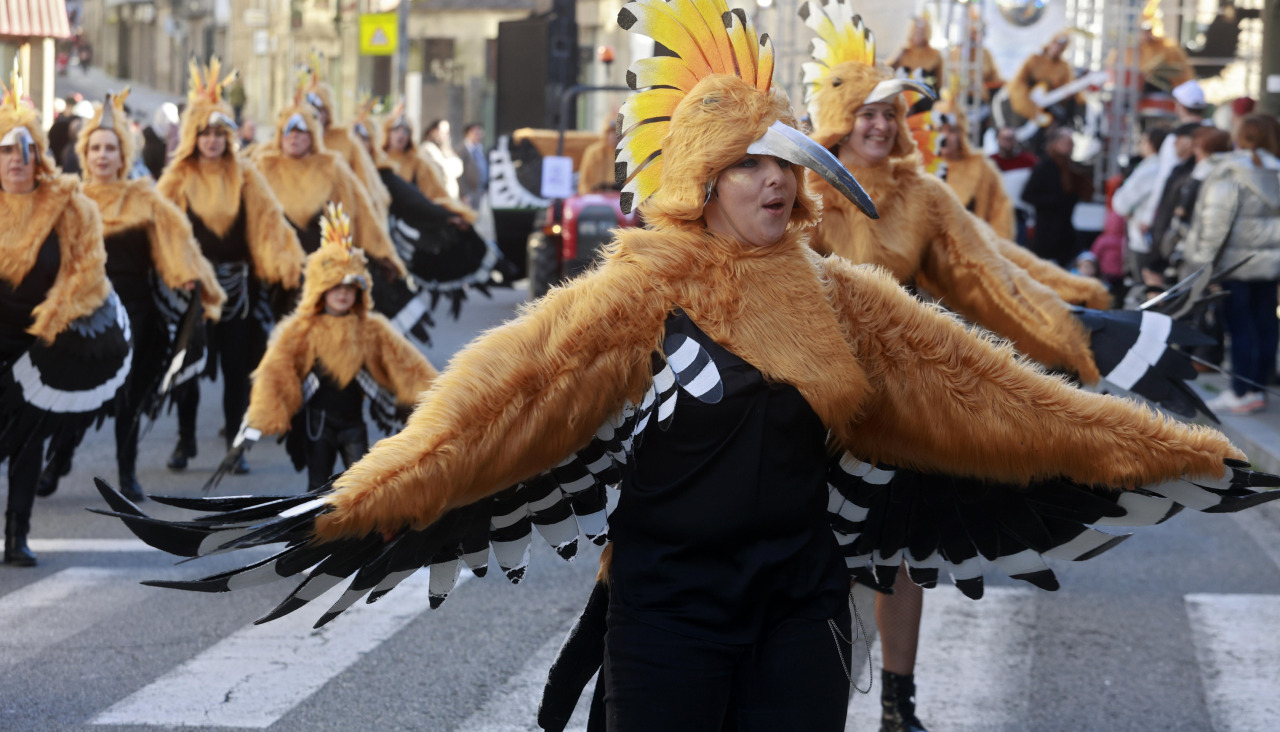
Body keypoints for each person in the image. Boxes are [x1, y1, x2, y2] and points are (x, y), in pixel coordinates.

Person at [101, 7, 1280, 731]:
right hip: (662, 596)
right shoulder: (635, 293)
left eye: (785, 165)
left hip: (799, 594)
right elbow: (498, 403)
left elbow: (989, 389)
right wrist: (357, 501)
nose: (775, 182)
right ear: (701, 181)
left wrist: (1162, 448)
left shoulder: (849, 300)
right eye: (747, 166)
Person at [1, 73, 132, 565]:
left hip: (40, 341)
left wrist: (58, 314)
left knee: (28, 439)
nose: (17, 159)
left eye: (26, 150)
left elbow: (88, 269)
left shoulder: (70, 206)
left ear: (40, 156)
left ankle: (16, 534)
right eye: (7, 150)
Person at [156, 59, 307, 474]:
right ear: (193, 137)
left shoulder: (247, 176)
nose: (211, 141)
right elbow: (164, 230)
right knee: (188, 368)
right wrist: (180, 271)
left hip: (242, 289)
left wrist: (289, 264)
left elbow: (271, 225)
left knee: (240, 372)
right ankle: (185, 442)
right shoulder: (177, 178)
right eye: (204, 133)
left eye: (218, 133)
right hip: (194, 289)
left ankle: (236, 446)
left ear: (228, 137)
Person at [75, 91, 226, 499]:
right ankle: (55, 460)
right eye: (96, 148)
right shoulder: (70, 201)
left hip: (135, 310)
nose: (102, 156)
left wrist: (188, 279)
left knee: (129, 396)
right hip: (80, 310)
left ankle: (127, 473)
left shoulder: (145, 197)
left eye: (111, 148)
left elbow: (174, 245)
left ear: (122, 154)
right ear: (84, 154)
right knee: (71, 392)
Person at [228, 204, 438, 490]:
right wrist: (270, 411)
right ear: (320, 291)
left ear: (360, 292)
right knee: (316, 489)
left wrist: (441, 402)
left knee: (363, 488)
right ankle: (315, 533)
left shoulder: (372, 328)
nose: (342, 294)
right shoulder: (301, 330)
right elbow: (274, 371)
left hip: (354, 425)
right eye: (335, 288)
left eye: (349, 288)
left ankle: (358, 534)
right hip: (318, 427)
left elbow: (409, 367)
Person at [1180, 114, 1280, 413]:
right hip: (1271, 264)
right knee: (1266, 324)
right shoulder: (1276, 171)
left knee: (1240, 327)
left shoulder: (1229, 172)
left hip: (1235, 265)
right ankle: (1257, 390)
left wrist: (1202, 266)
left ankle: (1240, 392)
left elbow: (1214, 223)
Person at [250, 83, 405, 278]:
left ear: (312, 134)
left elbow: (360, 210)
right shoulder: (264, 164)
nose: (294, 137)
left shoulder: (333, 164)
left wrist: (381, 252)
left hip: (321, 264)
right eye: (288, 131)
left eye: (301, 131)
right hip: (273, 266)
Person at [302, 59, 391, 219]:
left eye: (319, 111)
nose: (313, 117)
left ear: (328, 112)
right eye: (308, 111)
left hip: (340, 220)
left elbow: (367, 189)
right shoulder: (292, 143)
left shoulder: (345, 141)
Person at [1138, 80, 1212, 236]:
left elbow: (1163, 178)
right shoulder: (1214, 134)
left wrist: (1148, 217)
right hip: (1209, 205)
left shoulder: (1174, 139)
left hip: (1177, 209)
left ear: (1180, 106)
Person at [380, 106, 477, 223]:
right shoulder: (378, 162)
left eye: (406, 131)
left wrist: (449, 214)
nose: (401, 135)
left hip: (410, 221)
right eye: (396, 129)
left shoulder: (418, 162)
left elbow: (436, 195)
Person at [1022, 126, 1094, 267]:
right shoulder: (1044, 166)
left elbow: (1084, 192)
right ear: (1056, 143)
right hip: (1047, 230)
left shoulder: (1071, 166)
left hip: (1065, 229)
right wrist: (1053, 201)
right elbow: (1028, 195)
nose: (1069, 147)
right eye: (1066, 143)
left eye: (1071, 143)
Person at [1112, 127, 1169, 283]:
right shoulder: (1164, 167)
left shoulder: (1151, 169)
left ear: (1151, 144)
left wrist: (1130, 211)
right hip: (1157, 237)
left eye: (1142, 141)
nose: (1139, 145)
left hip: (1144, 238)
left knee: (1145, 286)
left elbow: (1121, 202)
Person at [1007, 33, 1079, 128]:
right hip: (1028, 99)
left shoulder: (1064, 66)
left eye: (1061, 48)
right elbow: (1019, 81)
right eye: (1056, 44)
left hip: (1049, 104)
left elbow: (1067, 87)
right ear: (1051, 43)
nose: (1057, 49)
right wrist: (1026, 100)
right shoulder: (1034, 59)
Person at [888, 16, 943, 98]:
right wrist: (897, 56)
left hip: (925, 100)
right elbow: (887, 70)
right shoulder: (903, 52)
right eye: (916, 32)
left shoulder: (935, 55)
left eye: (921, 32)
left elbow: (939, 83)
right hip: (903, 97)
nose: (918, 35)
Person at [420, 119, 463, 200]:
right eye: (442, 131)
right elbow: (443, 169)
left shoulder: (446, 149)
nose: (445, 135)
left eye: (447, 132)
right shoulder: (427, 148)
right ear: (433, 131)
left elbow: (459, 168)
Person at [578, 118, 620, 194]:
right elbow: (584, 182)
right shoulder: (593, 152)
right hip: (596, 198)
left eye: (616, 132)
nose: (613, 136)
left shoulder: (629, 153)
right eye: (610, 132)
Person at [460, 122, 488, 210]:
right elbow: (460, 175)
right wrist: (464, 194)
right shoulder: (461, 150)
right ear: (468, 133)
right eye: (476, 133)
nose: (479, 135)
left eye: (480, 133)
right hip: (468, 192)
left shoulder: (480, 148)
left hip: (480, 191)